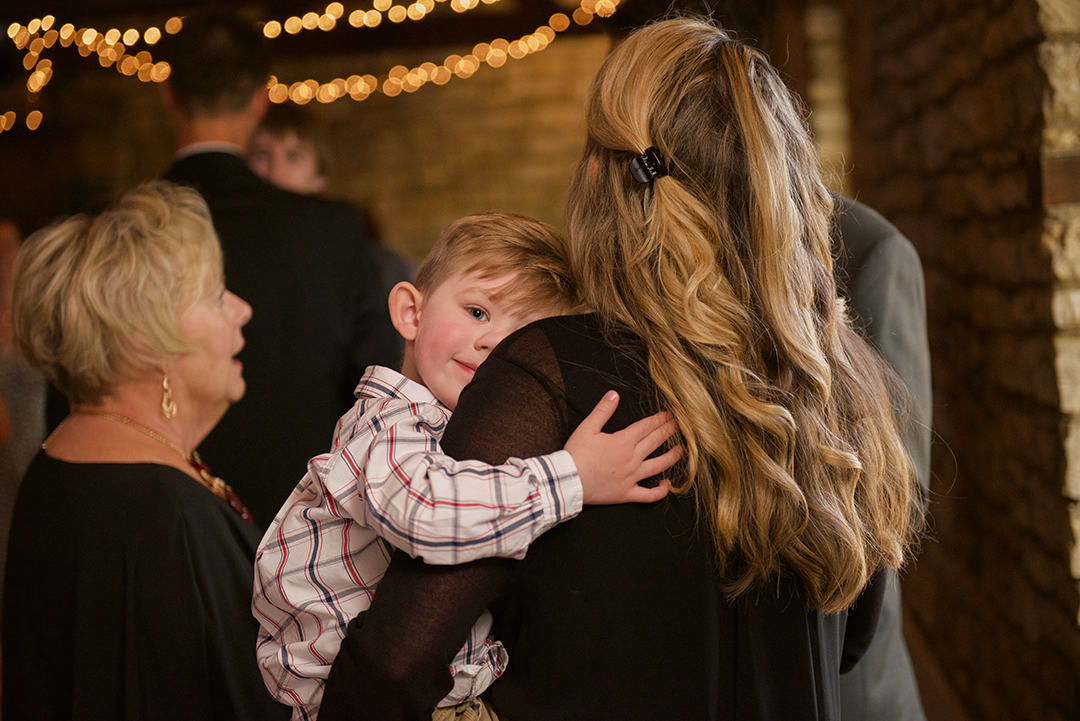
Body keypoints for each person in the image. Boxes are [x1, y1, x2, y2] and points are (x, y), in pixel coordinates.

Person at [318, 17, 925, 721]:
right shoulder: (840, 377)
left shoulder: (544, 372)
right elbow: (851, 635)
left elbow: (393, 665)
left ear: (604, 179)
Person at [254, 211, 679, 720]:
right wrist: (573, 477)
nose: (490, 344)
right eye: (478, 312)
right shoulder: (389, 424)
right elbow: (426, 510)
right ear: (411, 312)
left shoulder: (445, 430)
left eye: (518, 339)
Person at [2, 181, 290, 720]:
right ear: (152, 341)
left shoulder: (63, 461)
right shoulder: (167, 516)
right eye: (216, 294)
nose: (243, 309)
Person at [162, 12, 404, 526]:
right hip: (305, 526)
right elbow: (379, 383)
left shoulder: (122, 230)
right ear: (258, 100)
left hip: (163, 511)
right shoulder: (332, 230)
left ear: (169, 93)